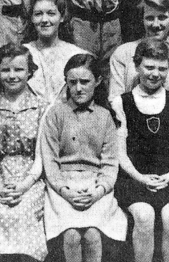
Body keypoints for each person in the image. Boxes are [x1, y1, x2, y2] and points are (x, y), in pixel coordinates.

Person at [111, 38, 169, 262]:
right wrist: (140, 178)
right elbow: (120, 153)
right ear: (137, 65)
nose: (155, 73)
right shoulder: (122, 103)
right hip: (134, 178)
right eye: (149, 67)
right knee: (144, 215)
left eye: (162, 68)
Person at [40, 54, 127, 262]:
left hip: (96, 185)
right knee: (70, 235)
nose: (78, 88)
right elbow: (50, 161)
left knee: (92, 235)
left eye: (85, 81)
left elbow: (109, 163)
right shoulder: (55, 114)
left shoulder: (105, 116)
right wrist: (65, 191)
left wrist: (98, 191)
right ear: (66, 83)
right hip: (62, 186)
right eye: (73, 82)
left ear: (97, 81)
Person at [0, 43, 50, 262]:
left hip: (31, 178)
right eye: (6, 70)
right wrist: (0, 188)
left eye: (18, 69)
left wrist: (23, 187)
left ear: (29, 72)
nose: (12, 75)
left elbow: (41, 155)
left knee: (23, 213)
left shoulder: (42, 107)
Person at [108, 0, 169, 106]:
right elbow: (115, 101)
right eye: (149, 18)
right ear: (142, 19)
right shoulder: (122, 53)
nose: (155, 24)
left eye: (162, 17)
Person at [23, 0, 88, 103]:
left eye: (51, 13)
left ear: (62, 17)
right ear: (32, 18)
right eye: (38, 14)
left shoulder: (76, 54)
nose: (44, 20)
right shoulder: (23, 53)